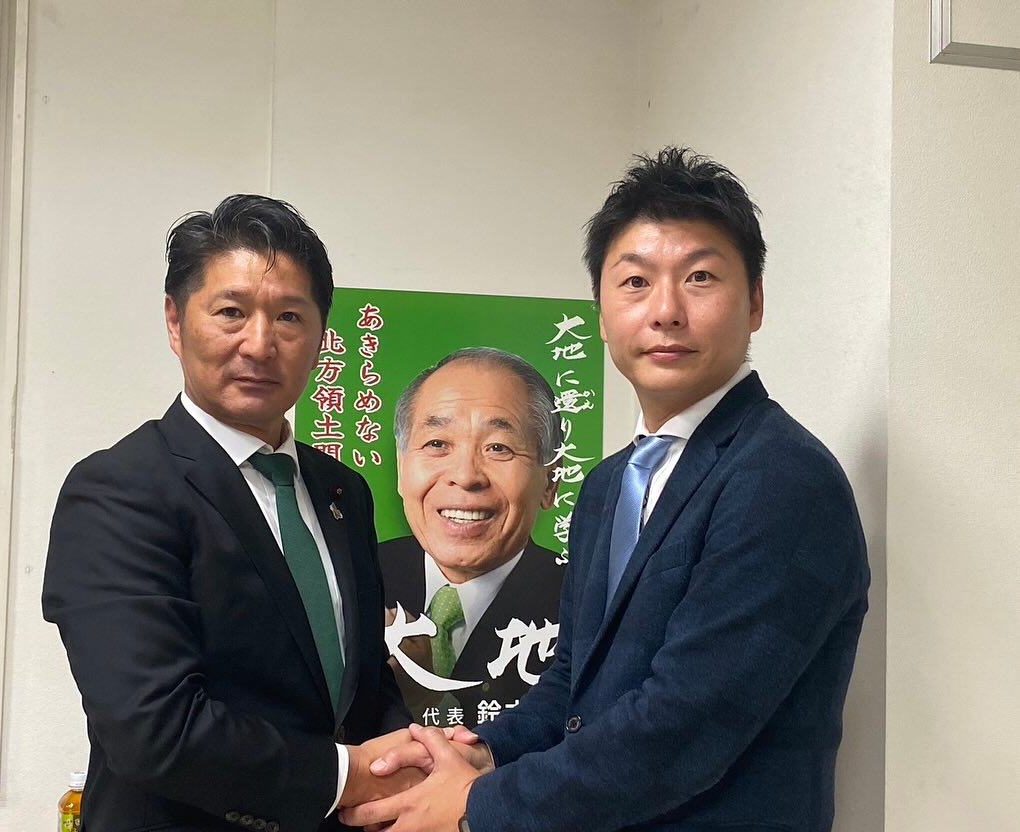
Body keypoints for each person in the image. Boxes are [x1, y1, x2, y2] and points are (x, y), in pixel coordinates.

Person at [342, 147, 871, 832]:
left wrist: (476, 804)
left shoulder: (782, 478)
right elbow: (572, 684)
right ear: (600, 311)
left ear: (756, 302)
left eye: (700, 277)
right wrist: (476, 753)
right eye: (635, 282)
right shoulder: (608, 485)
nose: (666, 311)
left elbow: (684, 728)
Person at [43, 195, 415, 832]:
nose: (260, 344)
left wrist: (407, 763)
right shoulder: (118, 491)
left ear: (321, 337)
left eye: (289, 317)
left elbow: (360, 686)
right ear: (175, 321)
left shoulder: (342, 492)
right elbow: (152, 728)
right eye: (231, 312)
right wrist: (347, 775)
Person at [379, 348, 565, 726]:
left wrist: (424, 695)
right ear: (401, 468)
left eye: (498, 448)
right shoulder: (347, 581)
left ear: (550, 480)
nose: (465, 476)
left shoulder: (588, 607)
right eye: (437, 444)